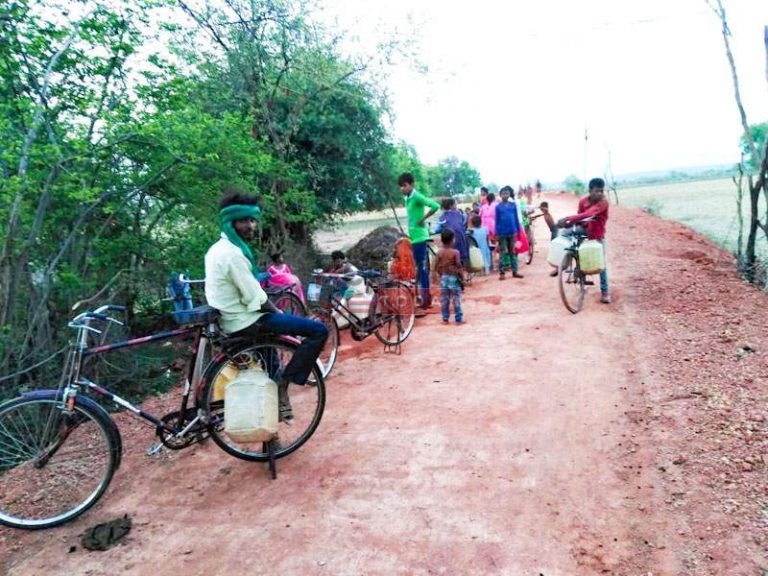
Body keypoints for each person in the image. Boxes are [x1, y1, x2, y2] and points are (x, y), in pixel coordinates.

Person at [204, 187, 328, 421]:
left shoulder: (216, 250)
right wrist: (278, 312)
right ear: (231, 222)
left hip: (232, 320)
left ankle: (273, 421)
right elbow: (256, 299)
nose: (251, 226)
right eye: (245, 221)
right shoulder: (233, 254)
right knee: (318, 330)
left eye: (252, 220)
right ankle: (285, 383)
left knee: (269, 360)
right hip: (247, 321)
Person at [558, 177, 611, 304]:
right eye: (597, 191)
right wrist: (568, 223)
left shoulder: (603, 203)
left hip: (597, 234)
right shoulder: (583, 201)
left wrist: (568, 218)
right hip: (585, 230)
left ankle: (605, 292)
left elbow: (588, 214)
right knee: (564, 234)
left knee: (601, 263)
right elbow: (580, 217)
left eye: (601, 191)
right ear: (590, 190)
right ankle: (564, 263)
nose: (600, 194)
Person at [399, 172, 440, 309]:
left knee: (422, 270)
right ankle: (423, 296)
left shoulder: (416, 196)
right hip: (415, 237)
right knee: (420, 269)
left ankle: (426, 300)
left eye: (404, 186)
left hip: (420, 237)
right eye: (401, 186)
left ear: (411, 185)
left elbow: (434, 206)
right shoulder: (408, 198)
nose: (402, 189)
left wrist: (423, 219)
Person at [435, 228, 464, 324]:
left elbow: (436, 266)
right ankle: (458, 319)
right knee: (456, 299)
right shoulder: (455, 252)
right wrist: (462, 278)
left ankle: (445, 318)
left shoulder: (439, 252)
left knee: (444, 300)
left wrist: (440, 275)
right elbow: (459, 265)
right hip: (454, 278)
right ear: (452, 240)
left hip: (444, 278)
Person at [495, 185, 523, 280]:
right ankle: (502, 273)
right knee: (503, 252)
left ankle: (515, 271)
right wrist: (497, 233)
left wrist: (517, 231)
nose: (505, 195)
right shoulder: (498, 207)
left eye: (507, 193)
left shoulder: (513, 205)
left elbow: (515, 218)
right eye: (503, 193)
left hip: (512, 232)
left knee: (513, 252)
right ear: (500, 195)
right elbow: (497, 221)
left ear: (509, 194)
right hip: (502, 233)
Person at [434, 197, 470, 266]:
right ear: (451, 206)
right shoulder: (459, 214)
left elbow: (437, 229)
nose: (456, 206)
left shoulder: (442, 217)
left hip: (449, 240)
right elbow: (463, 222)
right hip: (462, 240)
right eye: (455, 204)